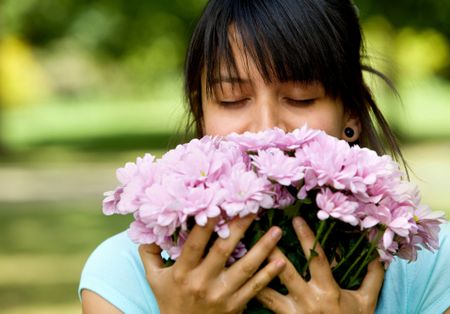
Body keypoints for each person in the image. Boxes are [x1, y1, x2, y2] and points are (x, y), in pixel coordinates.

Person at [79, 0, 450, 313]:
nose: (266, 129)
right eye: (232, 100)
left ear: (350, 113)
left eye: (301, 98)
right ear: (201, 113)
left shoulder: (435, 267)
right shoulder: (125, 275)